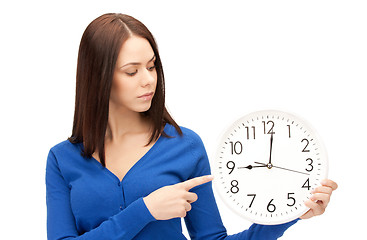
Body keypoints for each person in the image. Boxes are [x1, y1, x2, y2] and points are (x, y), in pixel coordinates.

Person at [45, 13, 338, 240]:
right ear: (99, 77)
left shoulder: (185, 146)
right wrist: (145, 210)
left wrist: (291, 213)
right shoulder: (62, 159)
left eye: (152, 66)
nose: (148, 79)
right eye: (132, 71)